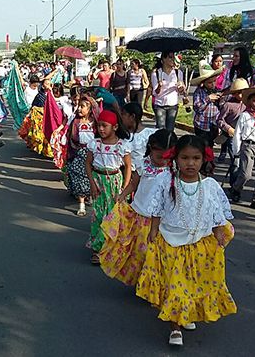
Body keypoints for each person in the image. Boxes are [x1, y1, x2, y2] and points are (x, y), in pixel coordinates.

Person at [136, 135, 236, 346]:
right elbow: (157, 207)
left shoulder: (209, 185)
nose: (190, 163)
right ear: (176, 158)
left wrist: (219, 233)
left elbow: (216, 212)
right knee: (175, 286)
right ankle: (175, 328)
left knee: (192, 283)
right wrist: (153, 230)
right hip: (171, 243)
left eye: (196, 158)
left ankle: (186, 313)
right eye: (185, 158)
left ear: (204, 160)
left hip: (199, 244)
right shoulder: (167, 180)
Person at [99, 129, 177, 285]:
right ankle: (142, 281)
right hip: (140, 217)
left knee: (157, 256)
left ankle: (153, 285)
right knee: (140, 253)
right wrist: (123, 195)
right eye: (158, 156)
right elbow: (134, 183)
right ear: (151, 148)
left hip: (162, 221)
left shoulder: (174, 169)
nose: (162, 160)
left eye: (166, 157)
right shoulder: (143, 164)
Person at [85, 110, 131, 264]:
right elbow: (88, 163)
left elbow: (128, 168)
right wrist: (92, 183)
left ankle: (111, 248)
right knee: (98, 215)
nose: (101, 129)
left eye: (105, 126)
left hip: (115, 181)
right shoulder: (95, 144)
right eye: (99, 126)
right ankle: (97, 249)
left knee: (113, 215)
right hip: (99, 181)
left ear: (115, 127)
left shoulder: (122, 145)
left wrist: (124, 190)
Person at [65, 96, 99, 216]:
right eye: (78, 106)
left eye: (82, 107)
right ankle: (81, 205)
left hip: (93, 154)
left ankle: (90, 195)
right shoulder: (75, 121)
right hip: (78, 153)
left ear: (90, 109)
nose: (79, 109)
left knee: (91, 177)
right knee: (79, 177)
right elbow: (71, 136)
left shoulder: (95, 123)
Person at [191, 62, 224, 147]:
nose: (213, 84)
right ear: (203, 82)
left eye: (214, 81)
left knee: (210, 145)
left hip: (214, 124)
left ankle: (210, 159)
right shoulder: (199, 92)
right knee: (202, 146)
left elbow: (220, 108)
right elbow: (197, 107)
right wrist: (208, 99)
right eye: (210, 82)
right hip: (202, 124)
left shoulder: (216, 91)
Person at [150, 52, 185, 132]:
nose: (173, 59)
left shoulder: (178, 73)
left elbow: (181, 91)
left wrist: (181, 87)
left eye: (173, 57)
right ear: (163, 60)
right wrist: (159, 86)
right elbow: (155, 93)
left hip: (173, 105)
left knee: (170, 130)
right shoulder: (156, 73)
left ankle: (169, 144)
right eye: (170, 57)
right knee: (161, 129)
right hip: (160, 105)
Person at [216, 79, 248, 165]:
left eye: (242, 92)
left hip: (245, 135)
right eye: (237, 92)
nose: (240, 95)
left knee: (244, 160)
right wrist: (228, 128)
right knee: (235, 160)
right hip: (232, 134)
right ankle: (234, 176)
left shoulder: (249, 103)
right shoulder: (228, 105)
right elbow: (219, 120)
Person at [120, 102, 157, 170]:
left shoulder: (150, 134)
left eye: (123, 114)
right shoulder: (121, 134)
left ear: (132, 117)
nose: (121, 117)